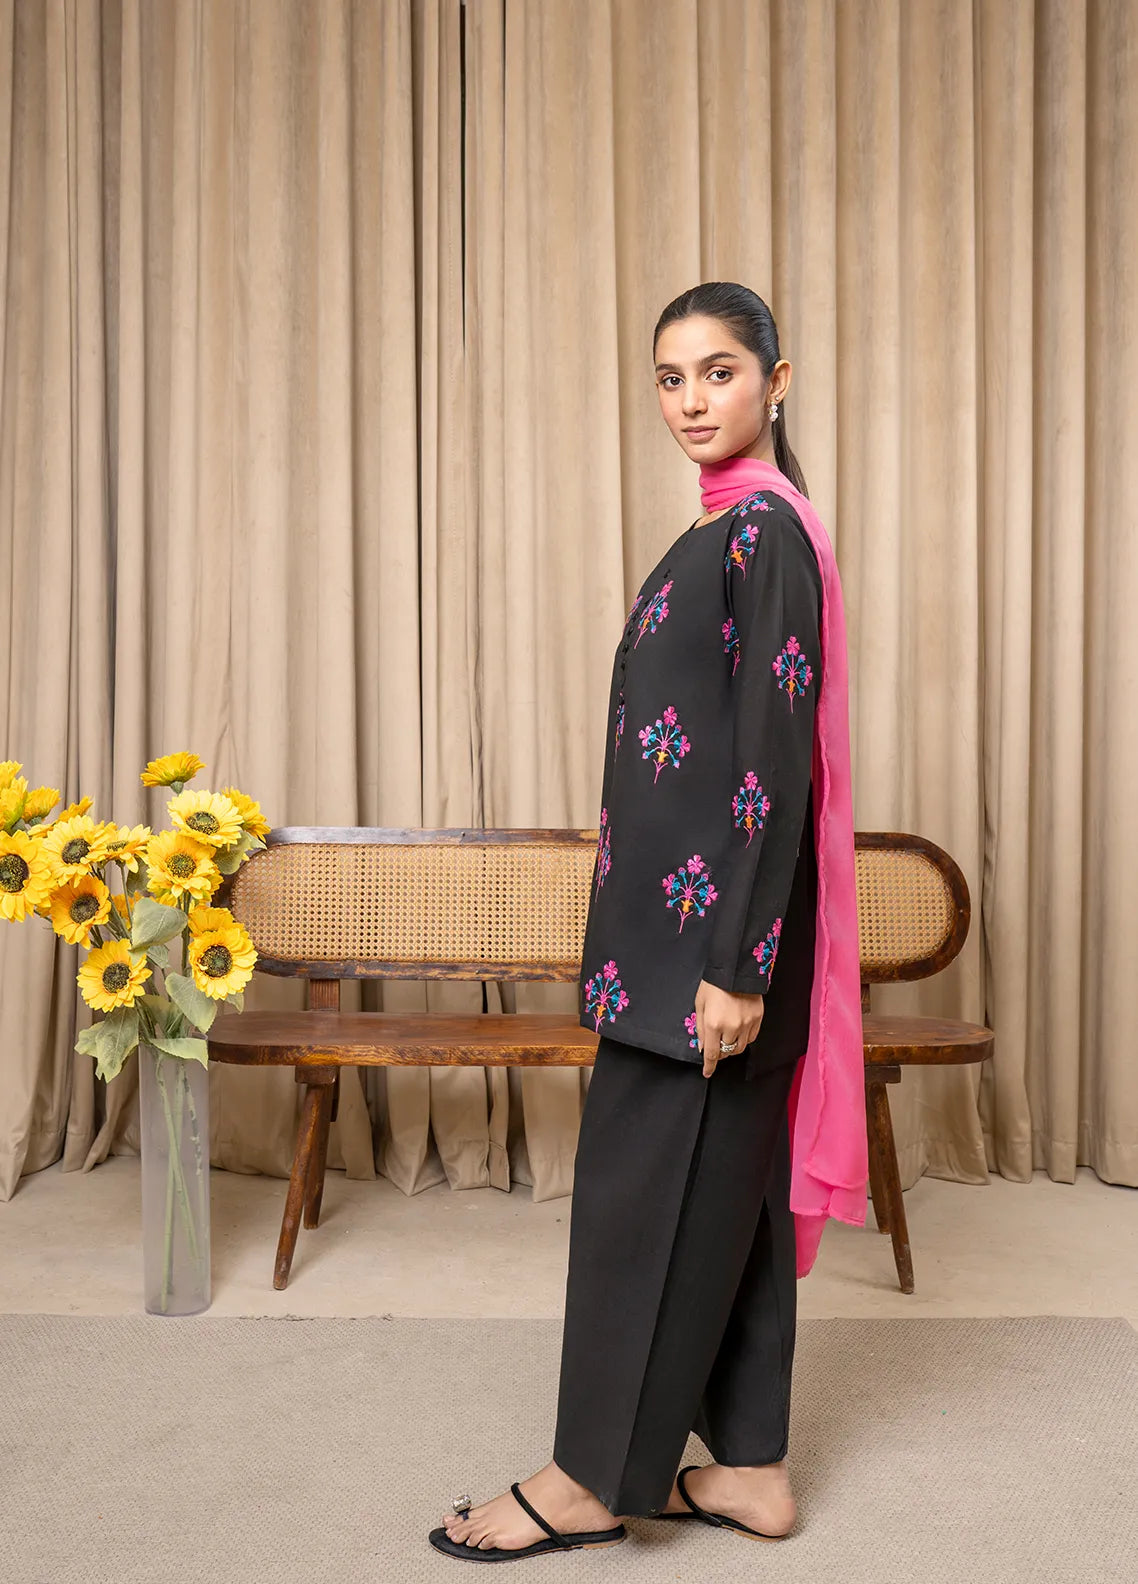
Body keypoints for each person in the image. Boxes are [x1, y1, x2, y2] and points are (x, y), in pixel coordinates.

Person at [429, 282, 866, 1563]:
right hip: (684, 941)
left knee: (644, 1206)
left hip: (709, 955)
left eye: (718, 372)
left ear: (776, 382)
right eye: (670, 378)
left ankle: (586, 1479)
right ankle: (751, 1470)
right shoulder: (726, 528)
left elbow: (771, 757)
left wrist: (737, 966)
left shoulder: (763, 534)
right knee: (728, 1206)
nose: (690, 400)